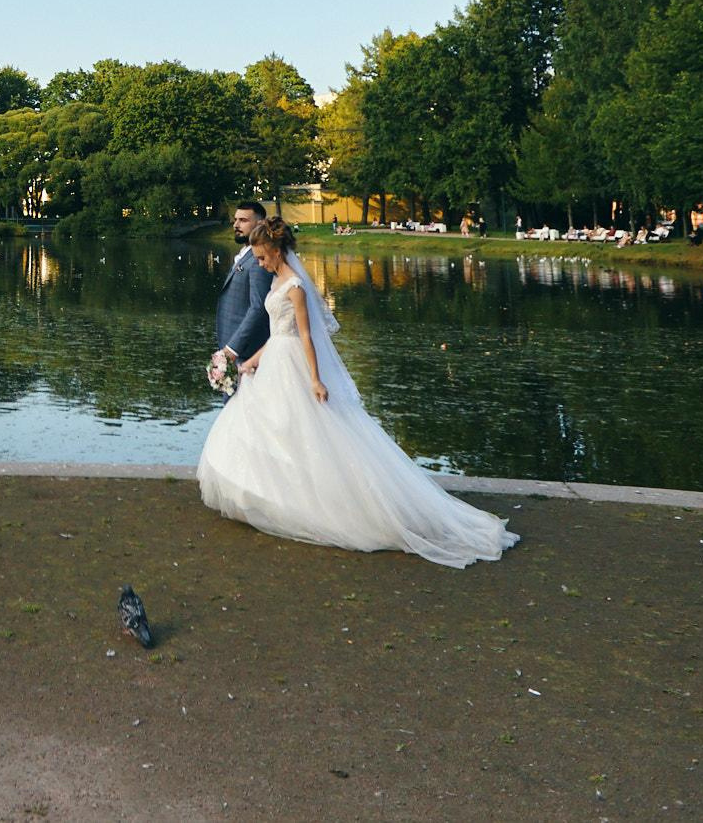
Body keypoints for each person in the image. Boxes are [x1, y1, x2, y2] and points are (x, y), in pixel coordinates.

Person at [197, 219, 518, 566]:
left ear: (276, 251)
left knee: (308, 432)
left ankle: (322, 506)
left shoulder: (295, 287)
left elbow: (305, 337)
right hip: (275, 358)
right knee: (274, 430)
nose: (259, 264)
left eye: (262, 257)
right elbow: (276, 334)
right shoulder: (276, 280)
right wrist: (250, 363)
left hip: (293, 365)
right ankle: (281, 498)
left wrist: (316, 380)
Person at [208, 200, 276, 391]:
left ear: (260, 224)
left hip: (246, 352)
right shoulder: (247, 254)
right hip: (235, 349)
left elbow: (258, 308)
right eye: (235, 220)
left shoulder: (258, 261)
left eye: (243, 220)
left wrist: (232, 349)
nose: (236, 225)